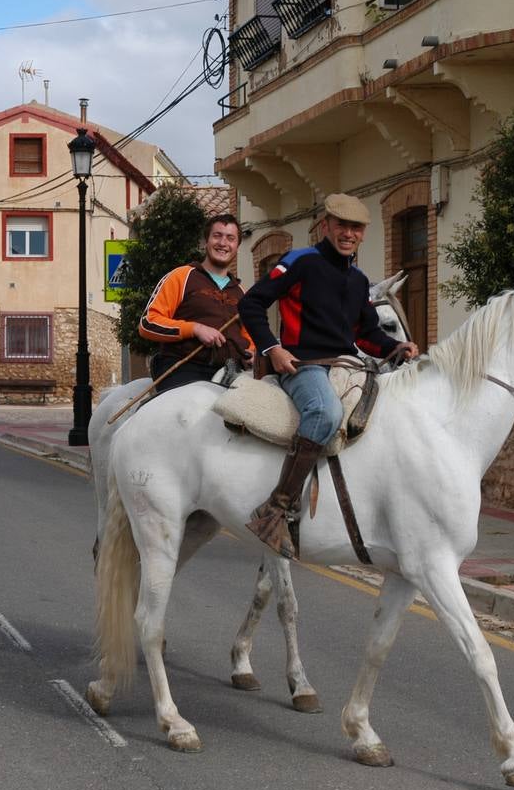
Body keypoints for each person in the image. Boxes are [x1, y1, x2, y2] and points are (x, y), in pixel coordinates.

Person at [237, 193, 418, 558]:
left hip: (346, 367)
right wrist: (273, 349)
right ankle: (277, 509)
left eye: (355, 228)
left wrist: (397, 349)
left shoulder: (357, 279)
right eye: (341, 225)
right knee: (325, 413)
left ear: (363, 233)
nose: (348, 233)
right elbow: (251, 303)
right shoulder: (301, 261)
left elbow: (367, 334)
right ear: (326, 226)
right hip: (303, 367)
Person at [138, 213, 255, 392]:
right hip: (183, 367)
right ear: (205, 242)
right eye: (217, 236)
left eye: (230, 238)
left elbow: (250, 338)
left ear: (237, 246)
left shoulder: (242, 293)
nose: (223, 243)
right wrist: (195, 329)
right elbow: (148, 323)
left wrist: (252, 353)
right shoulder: (181, 276)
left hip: (232, 373)